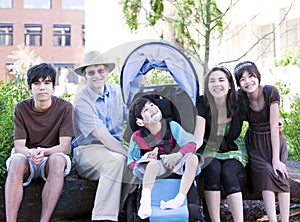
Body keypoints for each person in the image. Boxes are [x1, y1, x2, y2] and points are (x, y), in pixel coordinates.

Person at [5, 63, 74, 222]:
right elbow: (19, 146)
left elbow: (64, 147)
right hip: (27, 156)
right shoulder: (21, 108)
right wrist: (30, 153)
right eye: (37, 83)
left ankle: (44, 220)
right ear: (30, 89)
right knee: (16, 161)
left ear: (53, 87)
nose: (42, 87)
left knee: (58, 160)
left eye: (47, 83)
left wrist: (43, 152)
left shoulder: (65, 108)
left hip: (51, 156)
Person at [72, 51, 132, 222]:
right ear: (85, 76)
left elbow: (133, 120)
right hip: (87, 150)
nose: (97, 76)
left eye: (100, 71)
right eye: (91, 72)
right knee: (117, 161)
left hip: (114, 148)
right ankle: (102, 218)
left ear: (106, 71)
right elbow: (103, 137)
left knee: (137, 167)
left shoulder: (117, 93)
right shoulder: (82, 100)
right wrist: (130, 155)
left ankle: (117, 211)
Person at [127, 96, 202, 220]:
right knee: (151, 164)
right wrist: (145, 158)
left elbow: (191, 143)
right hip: (156, 168)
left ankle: (180, 198)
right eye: (145, 110)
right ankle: (145, 202)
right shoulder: (137, 137)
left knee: (193, 158)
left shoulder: (172, 126)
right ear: (140, 122)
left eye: (151, 105)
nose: (151, 109)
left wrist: (177, 155)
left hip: (177, 164)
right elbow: (131, 162)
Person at [234, 61, 290, 222]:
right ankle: (273, 219)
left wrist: (276, 159)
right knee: (266, 172)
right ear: (238, 83)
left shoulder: (270, 91)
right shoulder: (240, 99)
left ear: (258, 76)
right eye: (242, 79)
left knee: (280, 173)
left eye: (251, 76)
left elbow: (274, 125)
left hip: (274, 141)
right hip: (255, 143)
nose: (248, 81)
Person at [195, 66, 248, 222]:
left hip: (234, 149)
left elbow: (258, 115)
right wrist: (184, 154)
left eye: (221, 80)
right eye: (212, 81)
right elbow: (198, 137)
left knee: (228, 173)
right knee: (212, 169)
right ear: (207, 86)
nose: (216, 84)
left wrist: (277, 123)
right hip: (209, 149)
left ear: (230, 84)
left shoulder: (239, 102)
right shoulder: (202, 104)